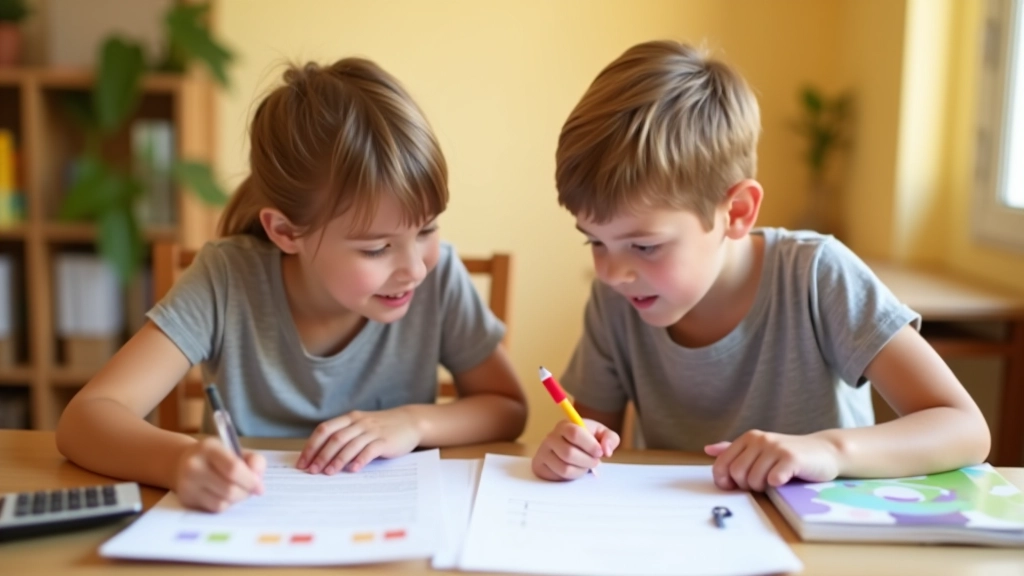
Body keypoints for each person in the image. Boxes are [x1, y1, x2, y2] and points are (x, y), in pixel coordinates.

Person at [56, 58, 527, 512]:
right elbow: (86, 419)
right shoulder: (226, 279)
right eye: (376, 248)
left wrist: (413, 421)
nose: (416, 269)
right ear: (285, 232)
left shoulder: (439, 276)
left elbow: (508, 406)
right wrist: (180, 460)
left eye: (426, 230)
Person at [532, 40, 990, 491]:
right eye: (595, 241)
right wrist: (573, 450)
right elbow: (594, 440)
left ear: (735, 212)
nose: (613, 272)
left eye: (645, 246)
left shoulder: (816, 275)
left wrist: (828, 450)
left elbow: (964, 428)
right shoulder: (615, 300)